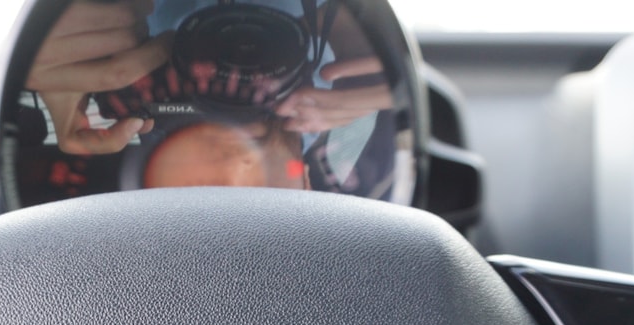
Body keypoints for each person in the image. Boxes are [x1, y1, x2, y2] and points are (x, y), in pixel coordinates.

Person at [25, 0, 394, 189]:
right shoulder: (361, 109)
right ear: (307, 186)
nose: (229, 178)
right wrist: (368, 22)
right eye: (264, 220)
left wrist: (44, 36)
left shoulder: (115, 79)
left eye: (193, 203)